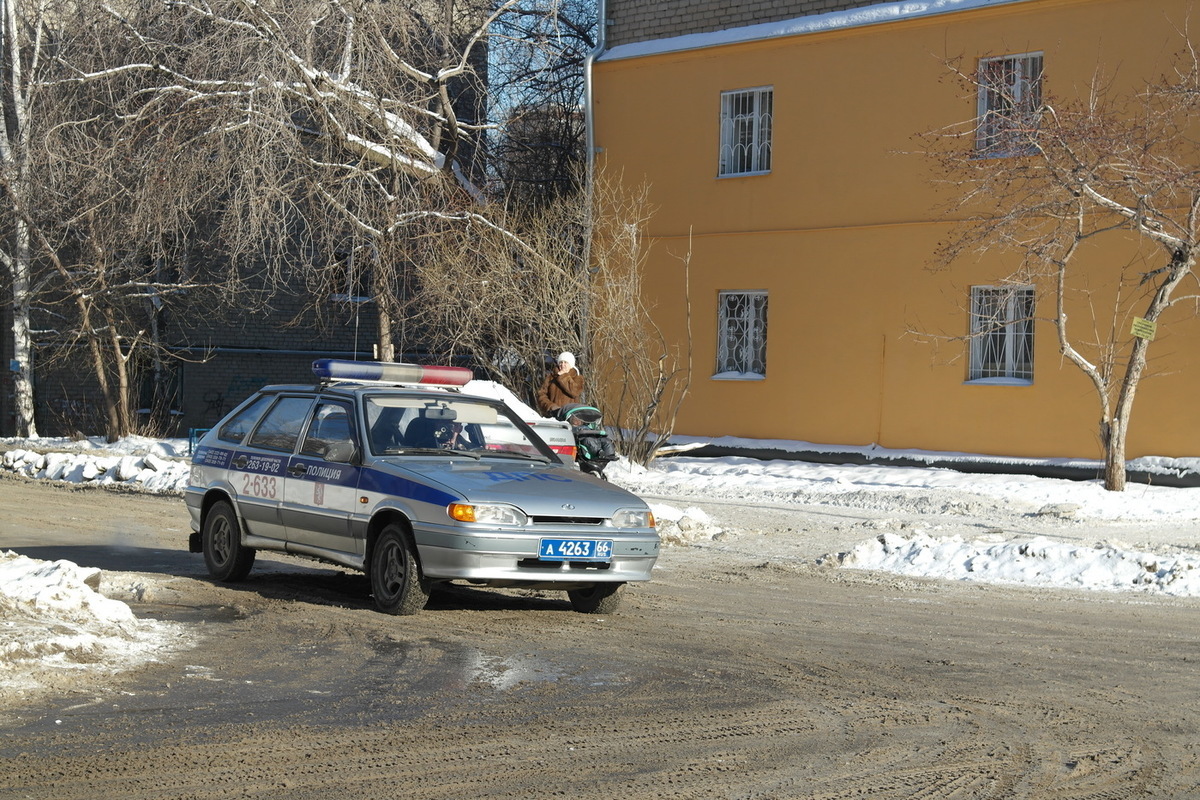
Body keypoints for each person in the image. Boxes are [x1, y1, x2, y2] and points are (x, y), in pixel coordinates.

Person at [536, 351, 584, 418]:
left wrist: (563, 376)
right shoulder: (551, 377)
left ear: (571, 365)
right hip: (553, 416)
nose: (562, 365)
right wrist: (550, 407)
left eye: (565, 362)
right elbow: (541, 395)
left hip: (570, 416)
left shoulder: (577, 378)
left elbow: (575, 392)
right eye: (561, 362)